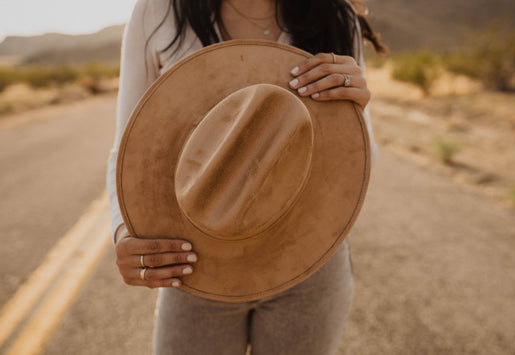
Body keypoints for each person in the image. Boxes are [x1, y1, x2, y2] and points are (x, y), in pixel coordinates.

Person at [106, 0, 386, 354]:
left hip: (310, 265)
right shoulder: (159, 11)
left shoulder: (333, 13)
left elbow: (363, 159)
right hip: (196, 266)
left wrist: (355, 111)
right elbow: (127, 150)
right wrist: (122, 231)